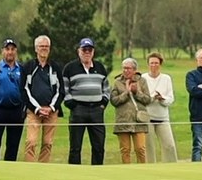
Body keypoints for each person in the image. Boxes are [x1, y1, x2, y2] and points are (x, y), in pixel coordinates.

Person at [62, 37, 110, 165]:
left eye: (90, 50)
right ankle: (75, 171)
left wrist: (103, 103)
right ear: (79, 51)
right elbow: (65, 89)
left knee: (99, 146)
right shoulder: (70, 68)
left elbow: (106, 88)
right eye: (84, 50)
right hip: (78, 110)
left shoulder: (100, 67)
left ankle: (97, 171)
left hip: (96, 110)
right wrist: (72, 105)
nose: (87, 52)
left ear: (93, 52)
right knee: (75, 147)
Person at [21, 35, 64, 163]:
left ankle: (43, 168)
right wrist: (37, 108)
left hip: (51, 112)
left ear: (49, 49)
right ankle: (30, 168)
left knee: (47, 143)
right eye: (41, 46)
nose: (44, 49)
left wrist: (51, 107)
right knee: (31, 142)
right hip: (33, 112)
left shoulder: (55, 67)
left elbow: (61, 91)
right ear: (36, 49)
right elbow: (24, 90)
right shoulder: (28, 66)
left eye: (46, 46)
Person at [111, 57, 152, 164]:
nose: (126, 71)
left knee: (140, 149)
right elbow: (114, 101)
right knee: (125, 150)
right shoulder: (117, 82)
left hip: (138, 121)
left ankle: (142, 169)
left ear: (134, 70)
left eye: (128, 68)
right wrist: (126, 93)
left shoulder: (142, 81)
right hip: (123, 120)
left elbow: (148, 100)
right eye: (124, 68)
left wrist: (136, 93)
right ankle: (126, 169)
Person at [0, 39, 26, 161]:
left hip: (16, 110)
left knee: (13, 144)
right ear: (2, 51)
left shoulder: (22, 69)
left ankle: (10, 167)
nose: (10, 52)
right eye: (7, 49)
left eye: (12, 49)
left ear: (16, 51)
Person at [141, 52, 177, 163]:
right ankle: (151, 168)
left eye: (156, 63)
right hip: (148, 118)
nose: (154, 65)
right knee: (149, 147)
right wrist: (152, 97)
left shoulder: (166, 78)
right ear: (148, 64)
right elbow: (141, 98)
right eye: (151, 63)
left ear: (160, 64)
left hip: (162, 117)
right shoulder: (143, 78)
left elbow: (170, 98)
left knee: (169, 145)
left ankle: (171, 167)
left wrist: (162, 99)